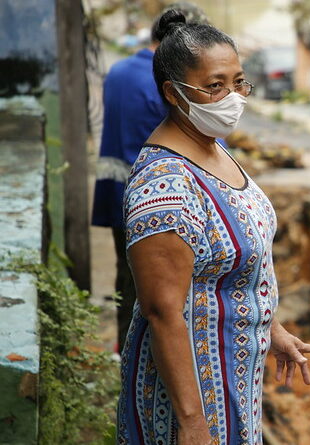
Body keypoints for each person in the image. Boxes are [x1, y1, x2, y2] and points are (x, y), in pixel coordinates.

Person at [116, 10, 310, 445]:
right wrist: (192, 424)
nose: (233, 96)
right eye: (214, 86)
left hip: (233, 380)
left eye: (238, 81)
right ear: (174, 93)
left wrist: (271, 328)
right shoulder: (164, 185)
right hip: (191, 397)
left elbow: (226, 273)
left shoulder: (213, 150)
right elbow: (162, 311)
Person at [91, 2, 212, 353]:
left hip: (117, 193)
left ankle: (121, 352)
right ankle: (155, 362)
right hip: (162, 203)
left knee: (126, 281)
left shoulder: (118, 72)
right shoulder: (177, 81)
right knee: (167, 296)